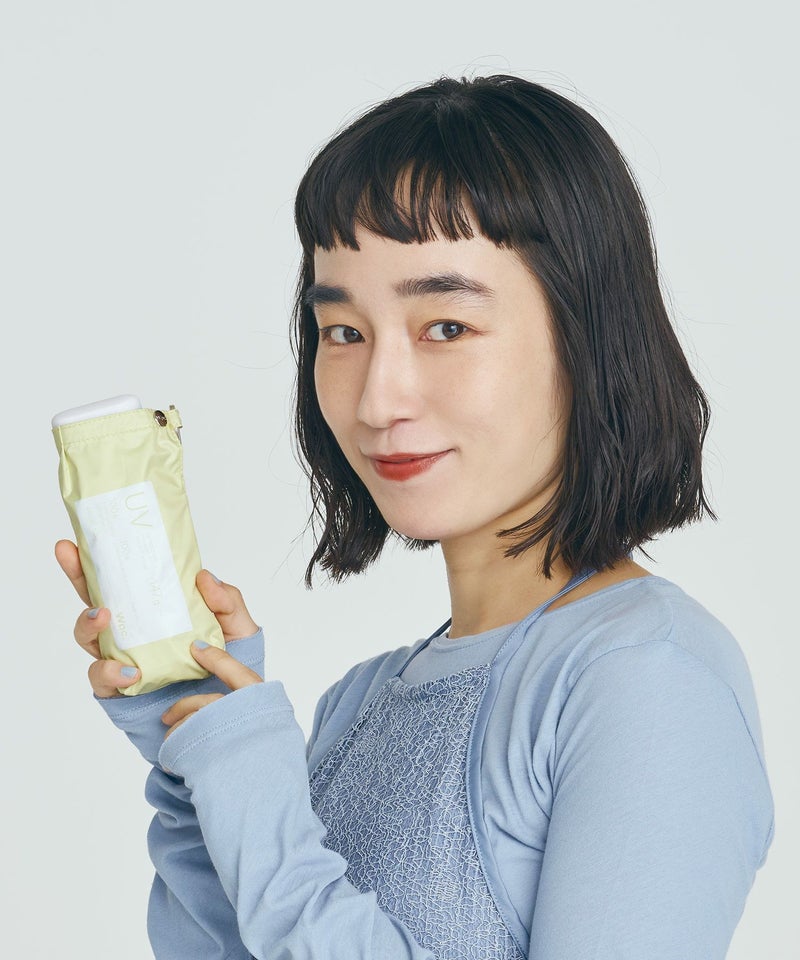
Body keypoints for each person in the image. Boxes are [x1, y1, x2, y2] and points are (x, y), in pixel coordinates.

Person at [56, 74, 774, 959]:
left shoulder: (645, 675)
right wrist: (198, 750)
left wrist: (252, 781)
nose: (377, 399)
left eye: (445, 328)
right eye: (344, 333)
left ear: (585, 336)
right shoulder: (364, 699)